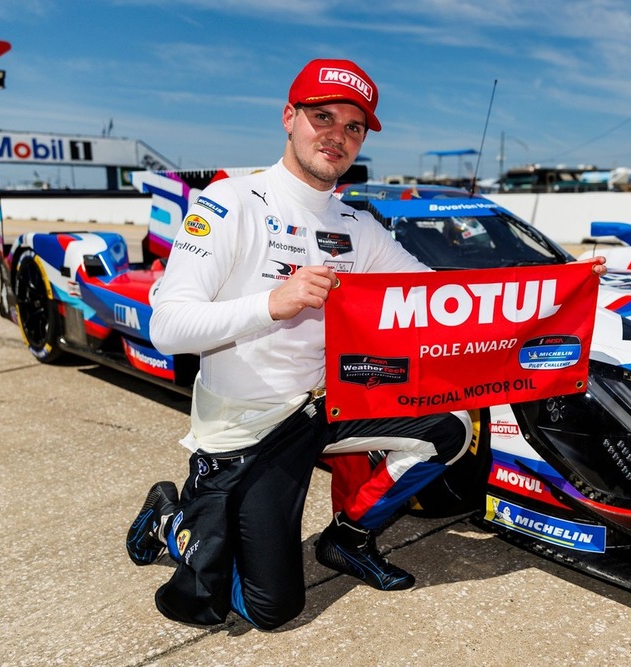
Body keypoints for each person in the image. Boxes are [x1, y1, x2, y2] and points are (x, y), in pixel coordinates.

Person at [124, 58, 474, 631]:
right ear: (290, 118)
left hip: (324, 407)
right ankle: (172, 516)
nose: (337, 134)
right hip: (250, 427)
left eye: (353, 126)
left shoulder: (357, 225)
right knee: (272, 609)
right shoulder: (229, 201)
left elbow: (436, 296)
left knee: (451, 426)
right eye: (323, 116)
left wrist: (559, 288)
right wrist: (272, 304)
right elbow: (167, 327)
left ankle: (348, 538)